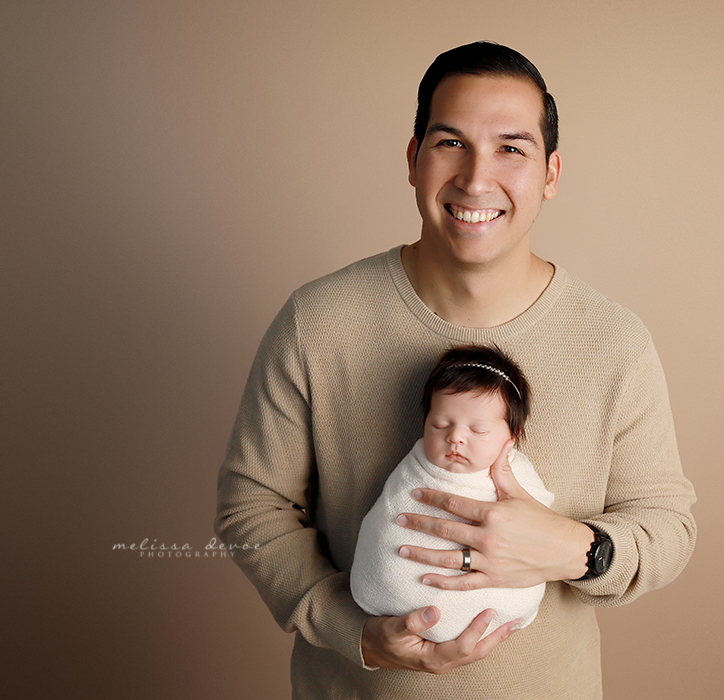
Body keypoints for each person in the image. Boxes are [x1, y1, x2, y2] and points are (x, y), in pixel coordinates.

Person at [215, 41, 696, 699]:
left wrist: (577, 550)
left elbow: (668, 524)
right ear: (414, 160)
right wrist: (353, 630)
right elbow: (252, 502)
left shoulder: (614, 342)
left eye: (511, 148)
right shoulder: (318, 322)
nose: (475, 178)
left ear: (551, 173)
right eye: (450, 143)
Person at [350, 344, 554, 643]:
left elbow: (541, 531)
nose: (455, 437)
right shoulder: (415, 465)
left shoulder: (518, 474)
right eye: (440, 424)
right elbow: (386, 521)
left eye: (479, 430)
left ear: (514, 434)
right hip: (398, 606)